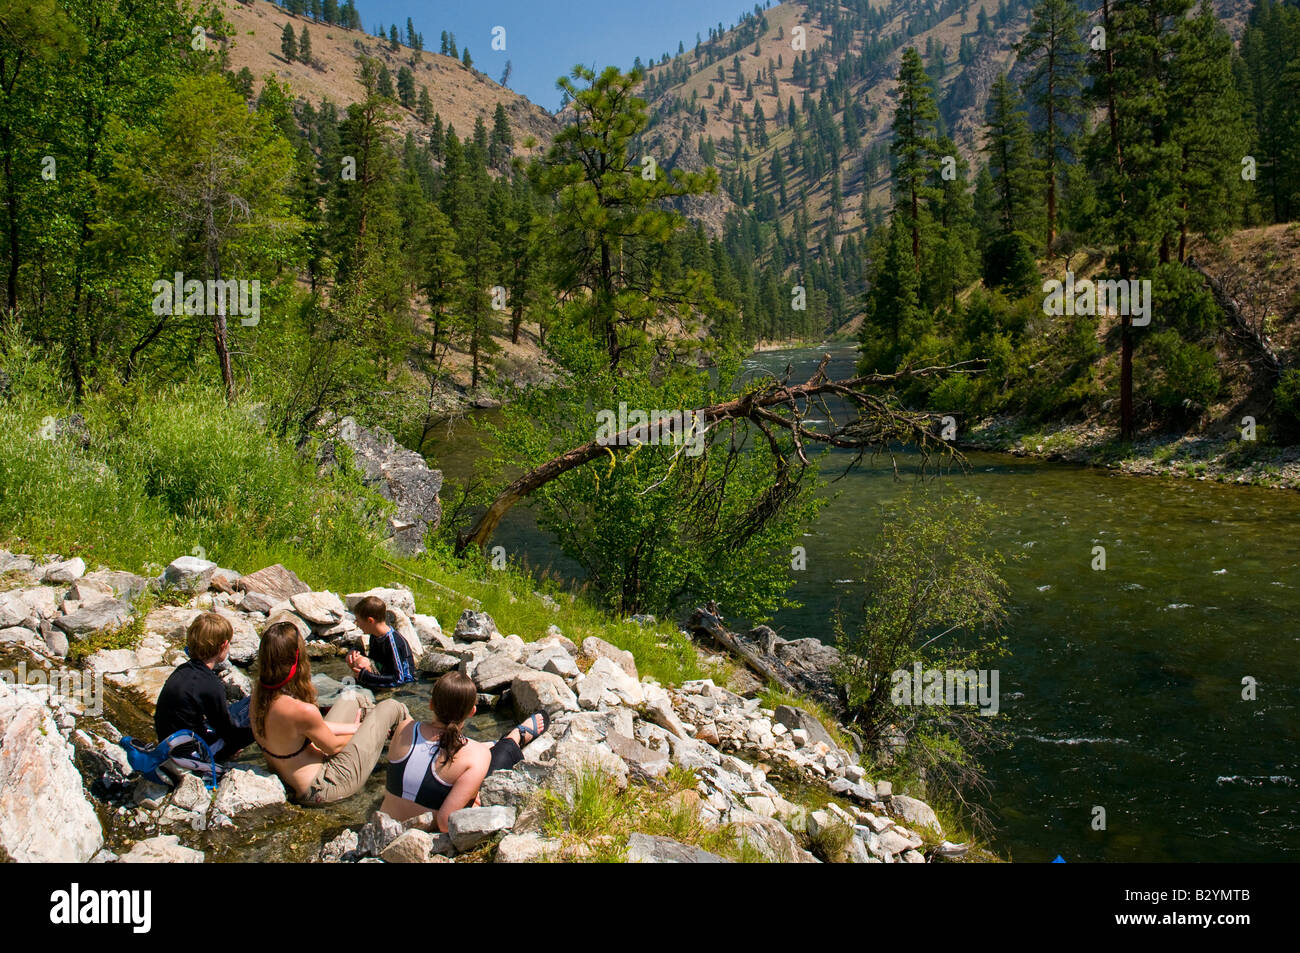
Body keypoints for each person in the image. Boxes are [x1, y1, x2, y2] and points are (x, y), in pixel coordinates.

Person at [251, 620, 410, 805]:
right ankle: (421, 759)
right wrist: (365, 731)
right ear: (298, 656)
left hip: (297, 770)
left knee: (354, 698)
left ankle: (388, 744)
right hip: (323, 786)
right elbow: (332, 747)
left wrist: (355, 727)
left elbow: (311, 728)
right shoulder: (302, 710)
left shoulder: (258, 694)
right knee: (391, 706)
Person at [379, 670, 548, 831]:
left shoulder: (404, 728)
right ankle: (514, 737)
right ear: (472, 712)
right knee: (500, 753)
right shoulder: (477, 756)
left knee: (473, 755)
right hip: (422, 839)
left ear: (431, 704)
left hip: (384, 827)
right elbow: (445, 824)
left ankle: (496, 742)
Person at [153, 612, 255, 776]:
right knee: (262, 717)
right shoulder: (210, 684)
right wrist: (236, 743)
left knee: (255, 701)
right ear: (223, 646)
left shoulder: (182, 671)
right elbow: (226, 730)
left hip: (173, 742)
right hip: (192, 754)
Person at [344, 595, 415, 690]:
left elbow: (400, 679)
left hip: (402, 684)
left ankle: (373, 691)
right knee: (353, 659)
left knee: (361, 663)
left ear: (370, 621)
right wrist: (354, 651)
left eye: (358, 620)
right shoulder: (374, 635)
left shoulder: (393, 642)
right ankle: (366, 687)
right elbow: (373, 659)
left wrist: (368, 676)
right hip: (385, 672)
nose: (356, 623)